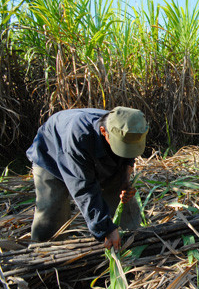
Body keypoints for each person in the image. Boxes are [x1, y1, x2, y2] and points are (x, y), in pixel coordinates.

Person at [26, 106, 149, 250]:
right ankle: (43, 254)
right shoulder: (79, 137)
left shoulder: (132, 127)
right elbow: (84, 189)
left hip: (93, 149)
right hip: (52, 153)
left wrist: (125, 180)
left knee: (122, 199)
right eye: (122, 146)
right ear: (104, 132)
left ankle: (134, 241)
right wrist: (105, 229)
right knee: (52, 210)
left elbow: (129, 154)